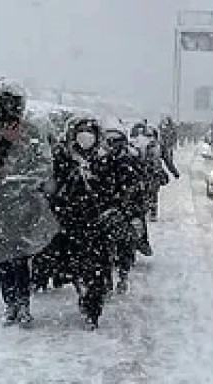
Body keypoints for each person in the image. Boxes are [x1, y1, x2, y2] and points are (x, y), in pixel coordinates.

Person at [0, 78, 59, 324]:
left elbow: (44, 165)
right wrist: (3, 145)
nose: (11, 108)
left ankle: (23, 304)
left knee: (21, 256)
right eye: (6, 102)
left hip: (24, 204)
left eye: (15, 102)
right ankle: (11, 304)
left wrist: (27, 184)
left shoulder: (32, 131)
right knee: (3, 256)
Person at [49, 115, 114, 329]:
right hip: (71, 223)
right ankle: (82, 290)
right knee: (75, 266)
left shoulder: (104, 159)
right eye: (81, 132)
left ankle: (92, 308)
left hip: (97, 224)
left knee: (97, 269)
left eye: (89, 133)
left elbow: (113, 188)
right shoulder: (63, 158)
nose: (85, 137)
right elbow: (54, 188)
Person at [99, 125, 147, 294]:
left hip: (126, 211)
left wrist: (133, 210)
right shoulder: (100, 162)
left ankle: (123, 276)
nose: (112, 145)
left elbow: (139, 187)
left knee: (125, 246)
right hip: (106, 211)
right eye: (109, 142)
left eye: (115, 142)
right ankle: (107, 280)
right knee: (103, 249)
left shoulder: (131, 161)